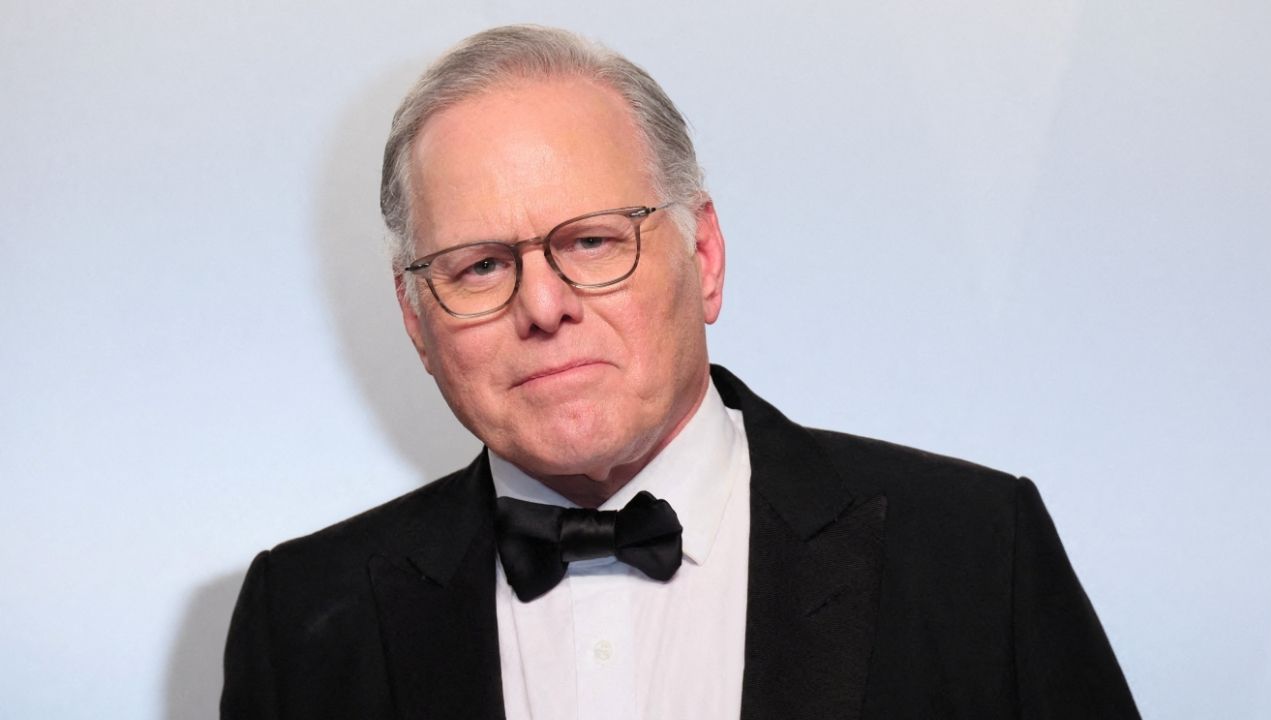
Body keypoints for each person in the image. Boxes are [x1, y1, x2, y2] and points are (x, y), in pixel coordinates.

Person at [222, 24, 1140, 719]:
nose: (542, 306)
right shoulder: (300, 621)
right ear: (416, 320)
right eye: (481, 266)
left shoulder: (976, 556)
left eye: (591, 242)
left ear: (703, 256)